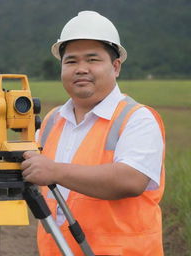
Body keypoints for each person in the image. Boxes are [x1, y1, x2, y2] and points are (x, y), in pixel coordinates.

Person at [22, 11, 165, 256]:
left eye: (92, 59)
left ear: (116, 66)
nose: (81, 69)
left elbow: (130, 180)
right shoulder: (52, 120)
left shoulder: (137, 118)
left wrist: (54, 170)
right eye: (71, 61)